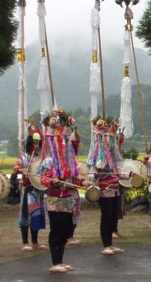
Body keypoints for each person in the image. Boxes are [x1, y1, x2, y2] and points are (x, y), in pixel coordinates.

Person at [39, 110, 84, 273]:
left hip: (68, 201)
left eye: (65, 141)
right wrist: (53, 181)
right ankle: (55, 262)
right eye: (62, 140)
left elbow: (74, 178)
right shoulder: (49, 161)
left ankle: (61, 260)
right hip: (54, 202)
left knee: (66, 231)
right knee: (56, 231)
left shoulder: (70, 161)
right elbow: (42, 180)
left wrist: (83, 182)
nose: (64, 144)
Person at [86, 116, 126, 255]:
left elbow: (119, 174)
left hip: (115, 190)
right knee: (106, 217)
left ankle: (111, 243)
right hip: (105, 191)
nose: (110, 144)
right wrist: (93, 177)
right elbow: (92, 173)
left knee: (114, 217)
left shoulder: (114, 161)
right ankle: (106, 244)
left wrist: (129, 175)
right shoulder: (98, 157)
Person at [12, 131, 46, 251]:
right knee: (26, 216)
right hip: (27, 190)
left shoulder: (39, 158)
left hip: (37, 190)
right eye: (34, 143)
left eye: (38, 143)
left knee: (36, 215)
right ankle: (25, 242)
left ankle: (35, 242)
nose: (36, 146)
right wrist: (22, 170)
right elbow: (15, 168)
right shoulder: (23, 157)